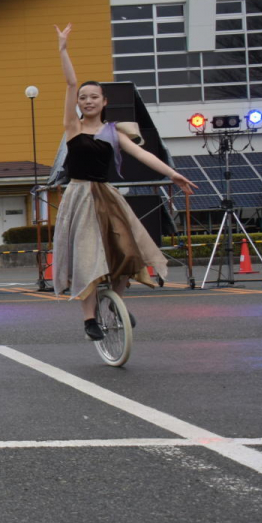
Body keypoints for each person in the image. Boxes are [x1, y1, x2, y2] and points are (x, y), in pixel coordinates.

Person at [53, 24, 197, 339]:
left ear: (104, 102)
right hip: (79, 196)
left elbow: (142, 155)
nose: (88, 101)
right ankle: (89, 319)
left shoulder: (114, 132)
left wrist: (172, 174)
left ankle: (115, 303)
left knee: (129, 252)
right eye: (83, 98)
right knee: (87, 258)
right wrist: (63, 50)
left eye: (94, 97)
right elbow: (70, 82)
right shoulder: (72, 128)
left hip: (107, 196)